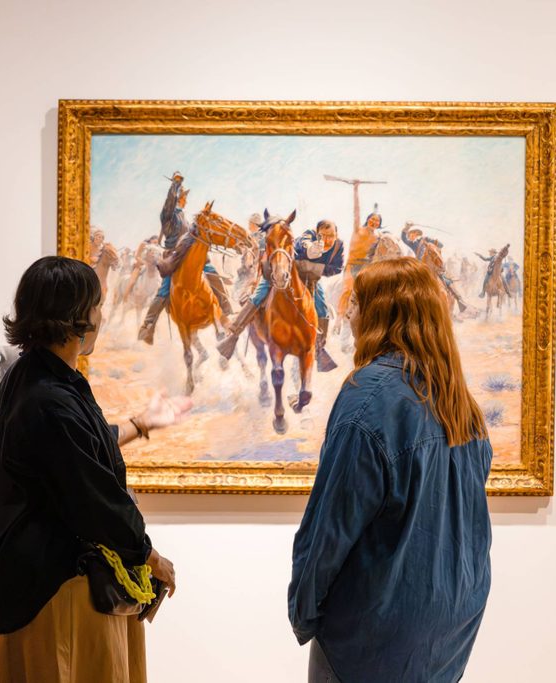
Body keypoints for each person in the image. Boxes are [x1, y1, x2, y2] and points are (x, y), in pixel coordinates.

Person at [0, 256, 187, 683]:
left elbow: (80, 452)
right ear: (76, 316)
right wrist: (151, 558)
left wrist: (140, 424)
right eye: (97, 306)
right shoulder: (49, 400)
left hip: (48, 585)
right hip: (61, 589)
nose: (102, 315)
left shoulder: (35, 378)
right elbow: (93, 499)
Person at [289, 257, 493, 683]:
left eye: (357, 303)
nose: (348, 312)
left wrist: (303, 614)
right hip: (445, 638)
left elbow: (331, 525)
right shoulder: (460, 404)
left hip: (369, 639)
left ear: (382, 313)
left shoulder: (368, 396)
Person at [218, 219, 344, 372]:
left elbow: (337, 268)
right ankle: (233, 334)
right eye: (323, 235)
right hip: (286, 271)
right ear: (317, 233)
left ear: (336, 234)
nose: (327, 239)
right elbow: (300, 243)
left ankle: (319, 347)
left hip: (310, 279)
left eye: (331, 235)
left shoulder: (338, 247)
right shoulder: (308, 236)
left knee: (322, 307)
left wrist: (313, 268)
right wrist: (309, 248)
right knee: (259, 295)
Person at [137, 172, 233, 344]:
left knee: (213, 273)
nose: (186, 199)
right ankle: (148, 325)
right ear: (179, 198)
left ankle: (226, 311)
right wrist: (175, 185)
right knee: (165, 289)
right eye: (184, 196)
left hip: (192, 257)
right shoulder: (169, 215)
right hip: (174, 258)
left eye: (185, 196)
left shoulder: (185, 217)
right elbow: (168, 203)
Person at [402, 223, 468, 312]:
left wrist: (432, 240)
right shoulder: (413, 244)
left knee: (446, 280)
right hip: (420, 268)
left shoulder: (426, 240)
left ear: (417, 234)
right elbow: (403, 238)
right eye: (409, 235)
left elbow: (441, 245)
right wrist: (406, 228)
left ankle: (459, 299)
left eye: (411, 234)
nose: (410, 236)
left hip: (432, 267)